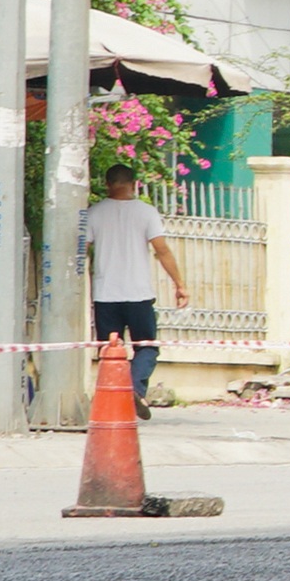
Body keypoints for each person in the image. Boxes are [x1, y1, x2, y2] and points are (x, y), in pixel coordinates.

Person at [80, 163, 187, 411]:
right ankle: (135, 389)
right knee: (147, 346)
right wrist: (180, 285)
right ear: (134, 184)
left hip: (106, 296)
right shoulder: (147, 212)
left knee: (109, 351)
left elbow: (80, 252)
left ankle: (113, 400)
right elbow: (162, 250)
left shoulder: (93, 213)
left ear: (107, 185)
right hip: (139, 295)